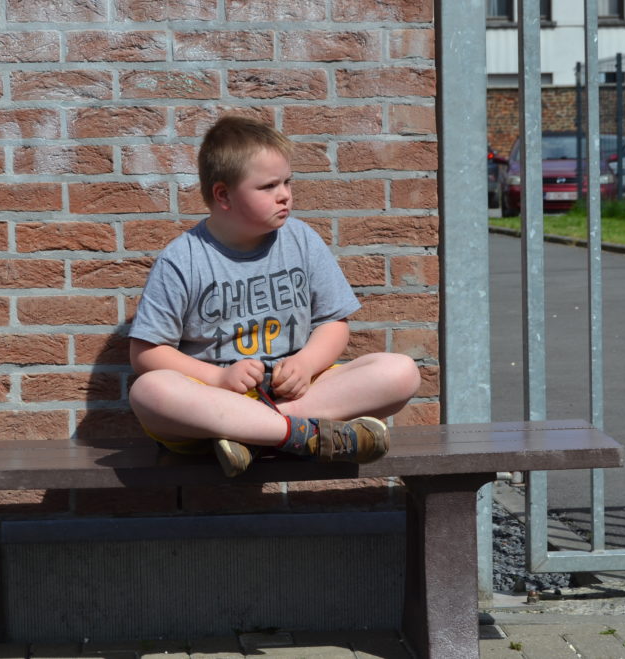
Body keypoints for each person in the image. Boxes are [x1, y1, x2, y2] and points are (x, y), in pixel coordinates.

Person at [127, 115, 421, 477]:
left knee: (400, 372)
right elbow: (146, 353)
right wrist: (218, 379)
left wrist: (307, 363)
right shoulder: (182, 259)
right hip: (214, 406)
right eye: (268, 186)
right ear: (223, 195)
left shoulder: (301, 240)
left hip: (296, 395)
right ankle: (302, 436)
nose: (284, 195)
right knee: (149, 391)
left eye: (287, 182)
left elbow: (334, 323)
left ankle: (255, 436)